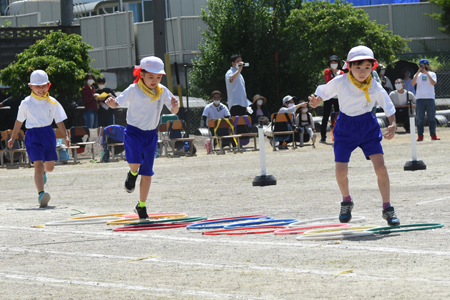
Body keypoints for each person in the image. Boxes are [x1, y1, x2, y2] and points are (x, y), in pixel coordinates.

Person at [308, 45, 400, 227]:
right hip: (345, 127)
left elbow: (387, 103)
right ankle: (346, 201)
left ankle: (387, 208)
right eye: (357, 67)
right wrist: (315, 101)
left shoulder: (374, 85)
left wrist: (393, 123)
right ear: (349, 66)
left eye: (367, 67)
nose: (362, 72)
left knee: (381, 167)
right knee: (341, 170)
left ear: (372, 68)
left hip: (368, 126)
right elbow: (322, 93)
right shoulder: (341, 81)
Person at [105, 56, 179, 221]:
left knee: (147, 173)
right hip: (133, 132)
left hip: (151, 135)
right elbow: (117, 102)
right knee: (136, 164)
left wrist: (175, 105)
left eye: (158, 77)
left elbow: (174, 111)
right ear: (142, 74)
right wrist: (111, 103)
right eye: (151, 77)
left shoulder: (162, 91)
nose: (155, 81)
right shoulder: (133, 89)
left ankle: (141, 206)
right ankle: (132, 174)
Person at [7, 70, 70, 208]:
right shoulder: (26, 103)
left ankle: (44, 173)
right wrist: (12, 138)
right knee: (38, 165)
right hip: (32, 135)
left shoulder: (52, 102)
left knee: (50, 167)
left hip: (48, 133)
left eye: (43, 86)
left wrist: (65, 135)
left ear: (49, 85)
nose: (40, 89)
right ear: (30, 86)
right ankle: (41, 194)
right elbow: (19, 121)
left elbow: (59, 120)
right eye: (37, 86)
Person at [411, 59, 440, 141]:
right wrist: (418, 72)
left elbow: (433, 83)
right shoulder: (417, 75)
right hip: (420, 99)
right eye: (421, 65)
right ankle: (420, 135)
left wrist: (426, 73)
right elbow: (412, 84)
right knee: (419, 118)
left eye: (425, 65)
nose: (423, 67)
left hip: (430, 98)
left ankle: (433, 135)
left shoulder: (432, 74)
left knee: (432, 118)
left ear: (428, 66)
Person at [320, 55, 343, 143]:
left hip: (338, 97)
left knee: (340, 116)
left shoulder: (341, 73)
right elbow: (328, 81)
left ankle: (340, 134)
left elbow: (342, 84)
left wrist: (335, 81)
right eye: (332, 62)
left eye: (335, 62)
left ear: (338, 64)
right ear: (329, 64)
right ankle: (323, 136)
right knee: (325, 116)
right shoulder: (327, 71)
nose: (334, 64)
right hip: (329, 96)